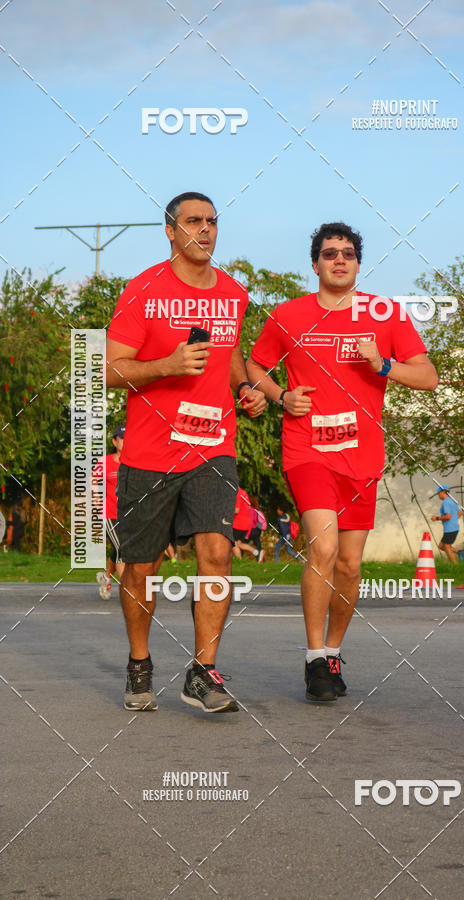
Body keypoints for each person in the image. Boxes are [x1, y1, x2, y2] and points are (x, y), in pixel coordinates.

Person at [248, 221, 437, 702]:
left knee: (350, 566)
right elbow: (255, 364)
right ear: (315, 264)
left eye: (348, 253)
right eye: (329, 253)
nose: (339, 260)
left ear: (357, 263)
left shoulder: (385, 314)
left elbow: (429, 377)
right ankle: (314, 659)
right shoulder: (288, 315)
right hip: (306, 450)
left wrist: (385, 366)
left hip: (362, 457)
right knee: (324, 549)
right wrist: (280, 394)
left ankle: (332, 652)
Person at [106, 190, 266, 713]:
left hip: (213, 447)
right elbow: (108, 369)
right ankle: (139, 663)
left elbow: (233, 354)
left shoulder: (233, 292)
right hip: (151, 451)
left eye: (212, 221)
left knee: (217, 555)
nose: (205, 230)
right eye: (193, 221)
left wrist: (244, 388)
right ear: (171, 231)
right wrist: (166, 366)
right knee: (140, 568)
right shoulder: (142, 290)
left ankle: (203, 671)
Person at [94, 424, 126, 600]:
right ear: (114, 441)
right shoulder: (104, 462)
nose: (126, 442)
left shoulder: (133, 462)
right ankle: (129, 590)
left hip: (129, 515)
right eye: (122, 439)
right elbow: (92, 483)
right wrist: (98, 504)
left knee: (118, 549)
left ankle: (106, 578)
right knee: (122, 549)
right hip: (110, 513)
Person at [431, 485, 462, 564]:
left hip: (450, 528)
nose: (438, 494)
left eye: (439, 492)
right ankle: (459, 552)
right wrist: (454, 519)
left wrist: (436, 518)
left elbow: (448, 516)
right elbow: (460, 512)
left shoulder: (445, 502)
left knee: (447, 547)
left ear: (444, 492)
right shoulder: (452, 501)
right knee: (441, 546)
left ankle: (455, 566)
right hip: (453, 527)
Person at [232, 486, 260, 560]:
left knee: (232, 543)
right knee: (239, 544)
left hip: (238, 524)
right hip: (246, 524)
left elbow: (237, 510)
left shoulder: (237, 493)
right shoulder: (244, 492)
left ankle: (239, 561)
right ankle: (255, 552)